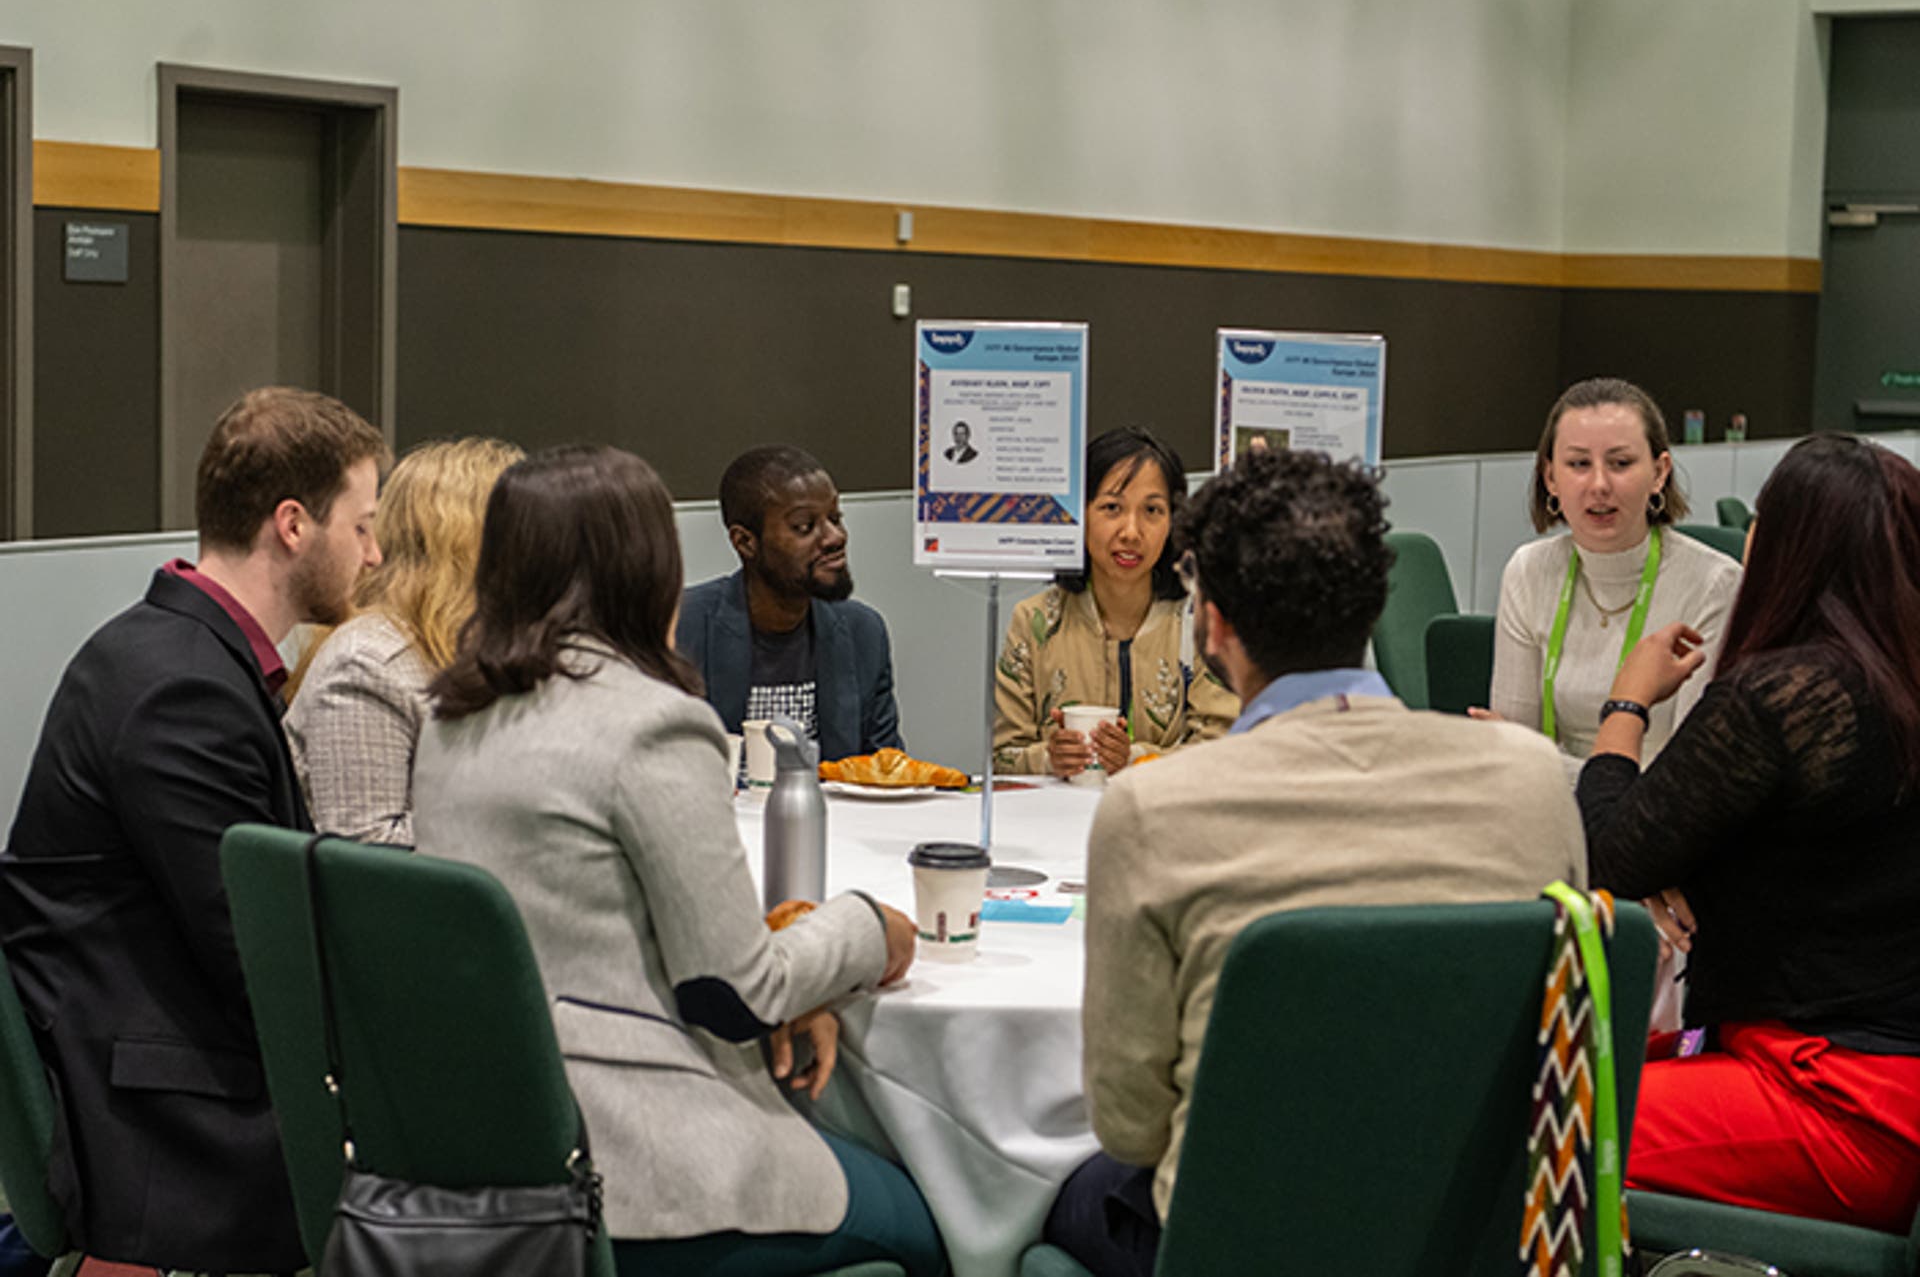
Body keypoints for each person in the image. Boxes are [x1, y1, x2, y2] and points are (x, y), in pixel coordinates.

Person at [1046, 446, 1585, 1277]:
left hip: (1248, 1243)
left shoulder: (1154, 811)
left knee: (1054, 1191)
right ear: (1373, 611)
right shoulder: (1534, 778)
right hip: (1478, 1239)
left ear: (1213, 623)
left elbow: (1130, 1125)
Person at [412, 446, 944, 1277]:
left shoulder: (453, 717)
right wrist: (868, 928)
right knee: (941, 1219)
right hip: (643, 1170)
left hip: (491, 1146)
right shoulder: (653, 724)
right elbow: (738, 994)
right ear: (647, 565)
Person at [0, 386, 386, 1271]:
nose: (374, 552)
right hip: (167, 1125)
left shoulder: (171, 652)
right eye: (361, 525)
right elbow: (258, 959)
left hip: (154, 1064)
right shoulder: (182, 691)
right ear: (293, 524)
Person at [1579, 433, 1920, 1233]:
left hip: (1832, 1100)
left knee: (1522, 1128)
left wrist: (1626, 707)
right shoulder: (1894, 683)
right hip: (1881, 1089)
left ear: (1789, 546)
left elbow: (1612, 856)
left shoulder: (1783, 695)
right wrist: (1696, 860)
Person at [1487, 377, 1742, 764]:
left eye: (1620, 463)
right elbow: (1513, 755)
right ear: (1550, 477)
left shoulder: (1713, 584)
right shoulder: (1529, 571)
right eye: (1578, 464)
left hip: (1655, 818)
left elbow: (1688, 774)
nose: (1599, 484)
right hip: (1550, 814)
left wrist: (1546, 764)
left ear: (1659, 473)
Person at [285, 436, 523, 843]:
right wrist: (532, 823)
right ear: (476, 550)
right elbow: (364, 850)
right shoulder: (368, 664)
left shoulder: (482, 646)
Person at [993, 427, 1237, 778]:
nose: (1131, 532)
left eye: (1152, 510)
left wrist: (1134, 757)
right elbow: (1001, 755)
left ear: (1175, 521)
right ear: (1081, 514)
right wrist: (1049, 758)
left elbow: (1222, 752)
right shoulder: (1036, 622)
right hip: (1052, 826)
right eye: (1112, 508)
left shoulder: (1202, 619)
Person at [677, 444, 904, 761]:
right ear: (745, 542)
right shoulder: (681, 628)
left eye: (835, 518)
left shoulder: (863, 633)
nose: (835, 537)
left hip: (832, 811)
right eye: (804, 527)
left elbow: (887, 771)